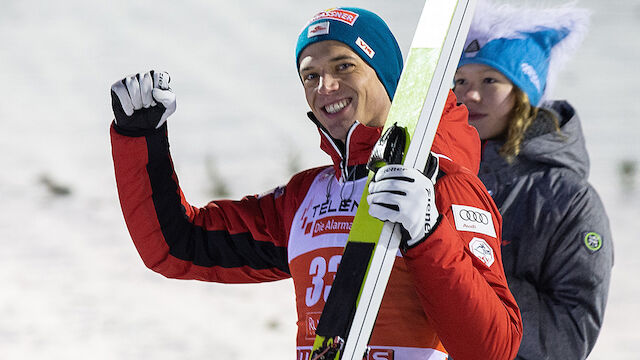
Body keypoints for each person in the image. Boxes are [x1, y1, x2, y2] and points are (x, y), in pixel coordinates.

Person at [110, 7, 522, 360]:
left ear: (386, 75)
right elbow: (178, 246)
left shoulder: (441, 184)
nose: (325, 87)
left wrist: (428, 234)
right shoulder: (306, 196)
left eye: (344, 66)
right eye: (311, 76)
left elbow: (493, 349)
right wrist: (140, 137)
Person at [453, 1, 614, 359]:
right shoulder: (436, 176)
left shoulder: (570, 199)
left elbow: (570, 337)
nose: (470, 95)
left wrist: (468, 282)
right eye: (460, 80)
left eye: (490, 80)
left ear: (523, 95)